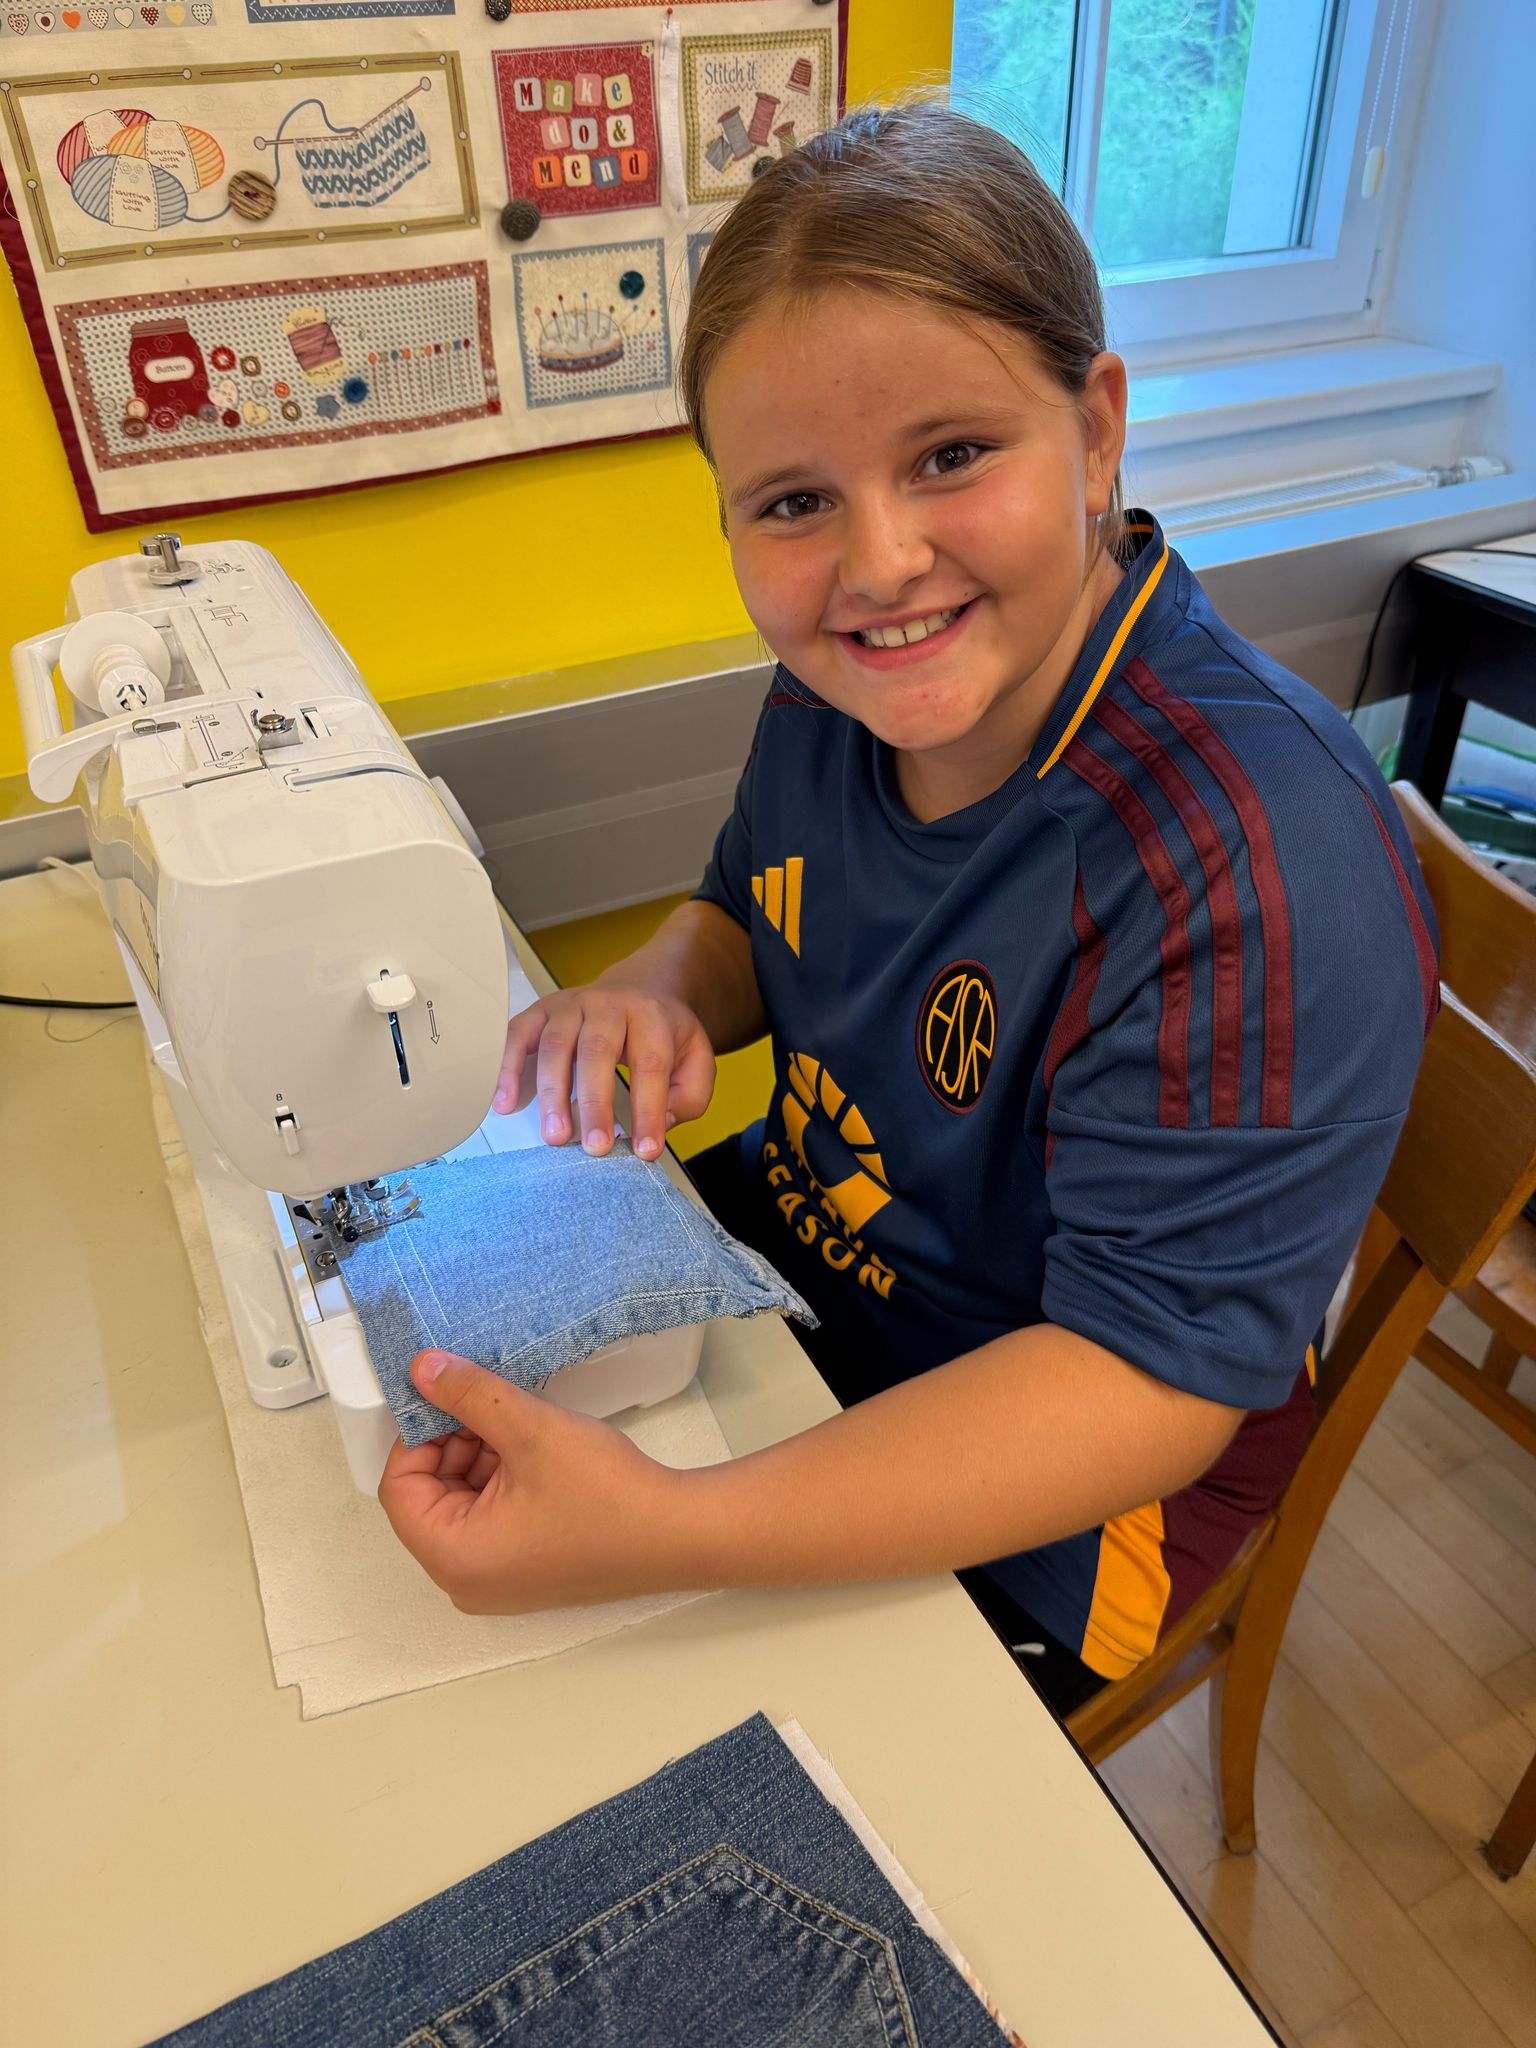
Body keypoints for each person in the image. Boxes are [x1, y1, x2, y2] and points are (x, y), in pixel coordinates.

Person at [379, 102, 1438, 1716]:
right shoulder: (844, 690)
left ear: (1096, 431)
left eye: (952, 456)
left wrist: (666, 1529)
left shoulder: (1255, 860)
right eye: (793, 502)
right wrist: (663, 981)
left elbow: (1143, 1387)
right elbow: (752, 908)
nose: (877, 564)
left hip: (1065, 1503)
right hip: (801, 1289)